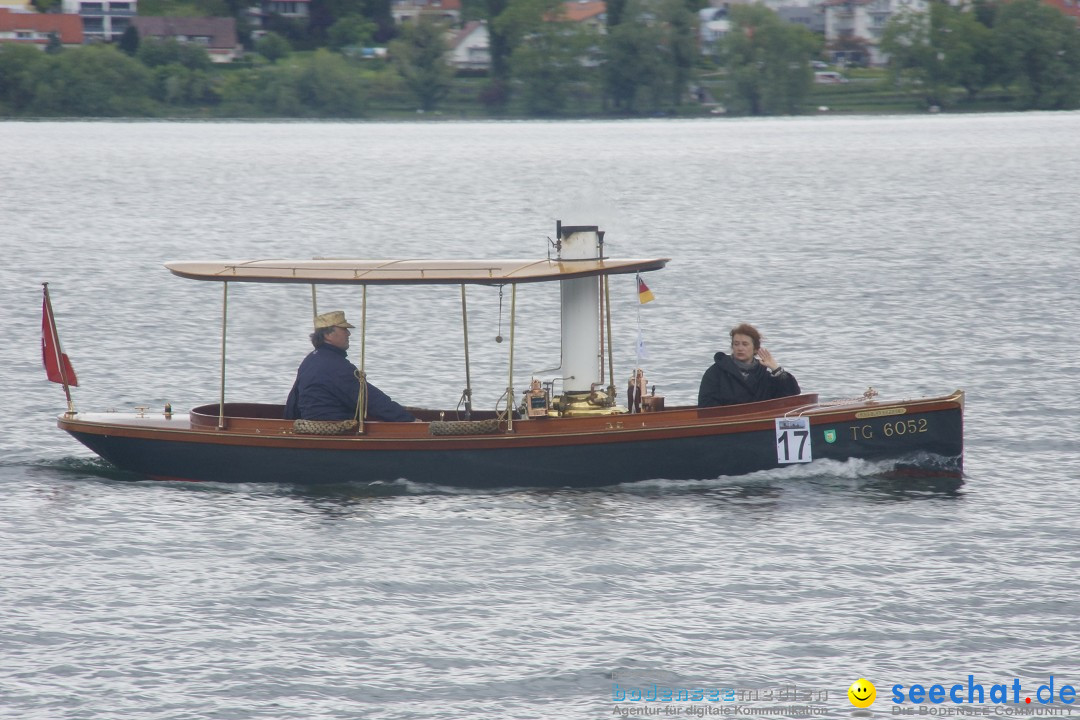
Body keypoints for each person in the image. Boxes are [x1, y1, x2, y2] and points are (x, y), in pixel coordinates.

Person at [284, 310, 417, 422]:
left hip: (311, 428)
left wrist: (289, 424)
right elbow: (368, 399)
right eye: (344, 329)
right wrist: (408, 420)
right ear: (327, 334)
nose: (348, 334)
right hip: (334, 431)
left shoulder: (310, 360)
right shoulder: (335, 366)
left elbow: (294, 399)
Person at [698, 322, 801, 407]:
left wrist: (776, 369)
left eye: (745, 344)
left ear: (755, 348)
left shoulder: (764, 375)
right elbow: (705, 405)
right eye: (736, 344)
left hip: (760, 424)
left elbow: (792, 397)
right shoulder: (716, 372)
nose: (740, 348)